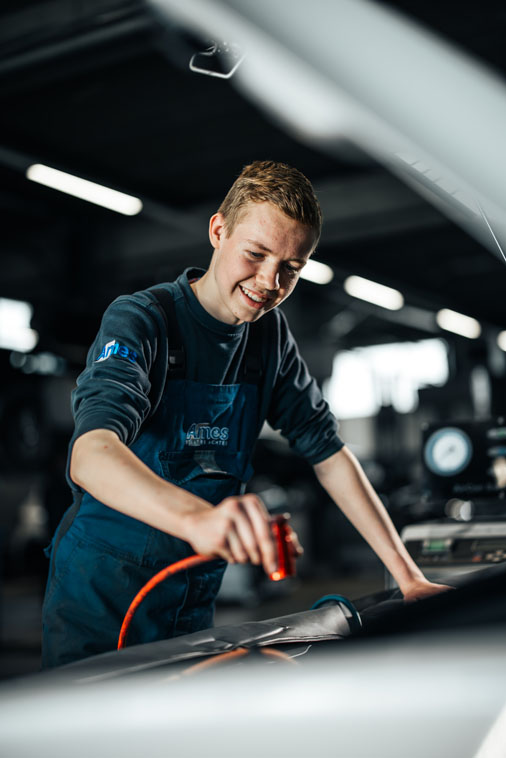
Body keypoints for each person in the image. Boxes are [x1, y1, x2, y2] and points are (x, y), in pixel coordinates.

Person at [42, 160, 448, 667]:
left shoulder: (268, 337)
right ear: (218, 230)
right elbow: (93, 453)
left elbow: (329, 453)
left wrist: (407, 577)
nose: (268, 282)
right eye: (255, 254)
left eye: (290, 269)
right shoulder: (143, 320)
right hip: (102, 596)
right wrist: (200, 520)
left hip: (191, 595)